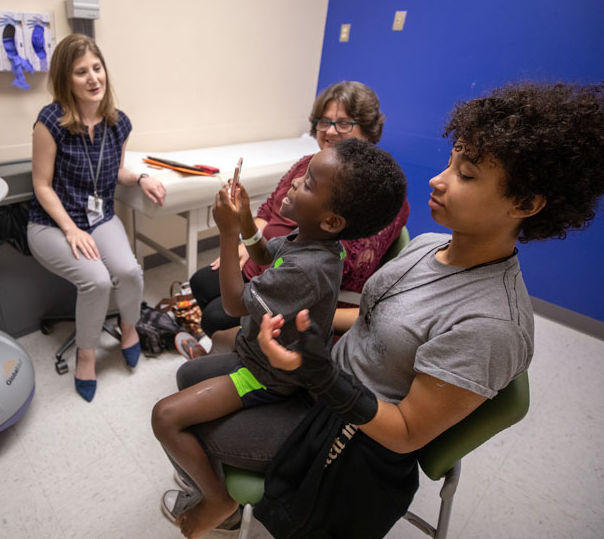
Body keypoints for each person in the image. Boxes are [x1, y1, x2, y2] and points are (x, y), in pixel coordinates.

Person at [159, 81, 604, 538]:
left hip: (347, 434)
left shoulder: (492, 326)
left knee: (184, 418)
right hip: (323, 378)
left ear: (525, 204)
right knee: (192, 375)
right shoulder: (432, 246)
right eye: (451, 162)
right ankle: (224, 494)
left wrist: (314, 370)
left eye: (466, 175)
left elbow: (407, 432)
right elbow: (375, 317)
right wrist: (308, 324)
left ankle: (224, 504)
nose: (438, 179)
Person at [152, 138, 408, 538]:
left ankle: (218, 500)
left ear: (331, 220)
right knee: (197, 367)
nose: (292, 184)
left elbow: (235, 303)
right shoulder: (317, 243)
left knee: (165, 416)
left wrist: (224, 233)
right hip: (260, 355)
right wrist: (244, 222)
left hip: (267, 375)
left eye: (307, 184)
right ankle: (210, 480)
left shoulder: (309, 268)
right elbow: (267, 256)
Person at [187, 81, 409, 346]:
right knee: (200, 282)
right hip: (270, 255)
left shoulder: (371, 200)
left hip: (292, 282)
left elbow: (337, 270)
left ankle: (234, 354)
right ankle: (225, 349)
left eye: (344, 123)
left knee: (217, 315)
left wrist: (231, 233)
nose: (329, 131)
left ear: (369, 131)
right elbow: (269, 209)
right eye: (323, 121)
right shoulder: (308, 163)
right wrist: (248, 234)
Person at [27, 33, 166, 402]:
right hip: (52, 223)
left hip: (100, 217)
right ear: (64, 80)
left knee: (130, 272)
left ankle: (129, 327)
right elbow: (41, 185)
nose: (93, 79)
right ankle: (86, 354)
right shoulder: (50, 122)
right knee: (97, 281)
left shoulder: (118, 123)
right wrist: (71, 229)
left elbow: (115, 172)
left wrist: (141, 177)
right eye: (80, 72)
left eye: (97, 68)